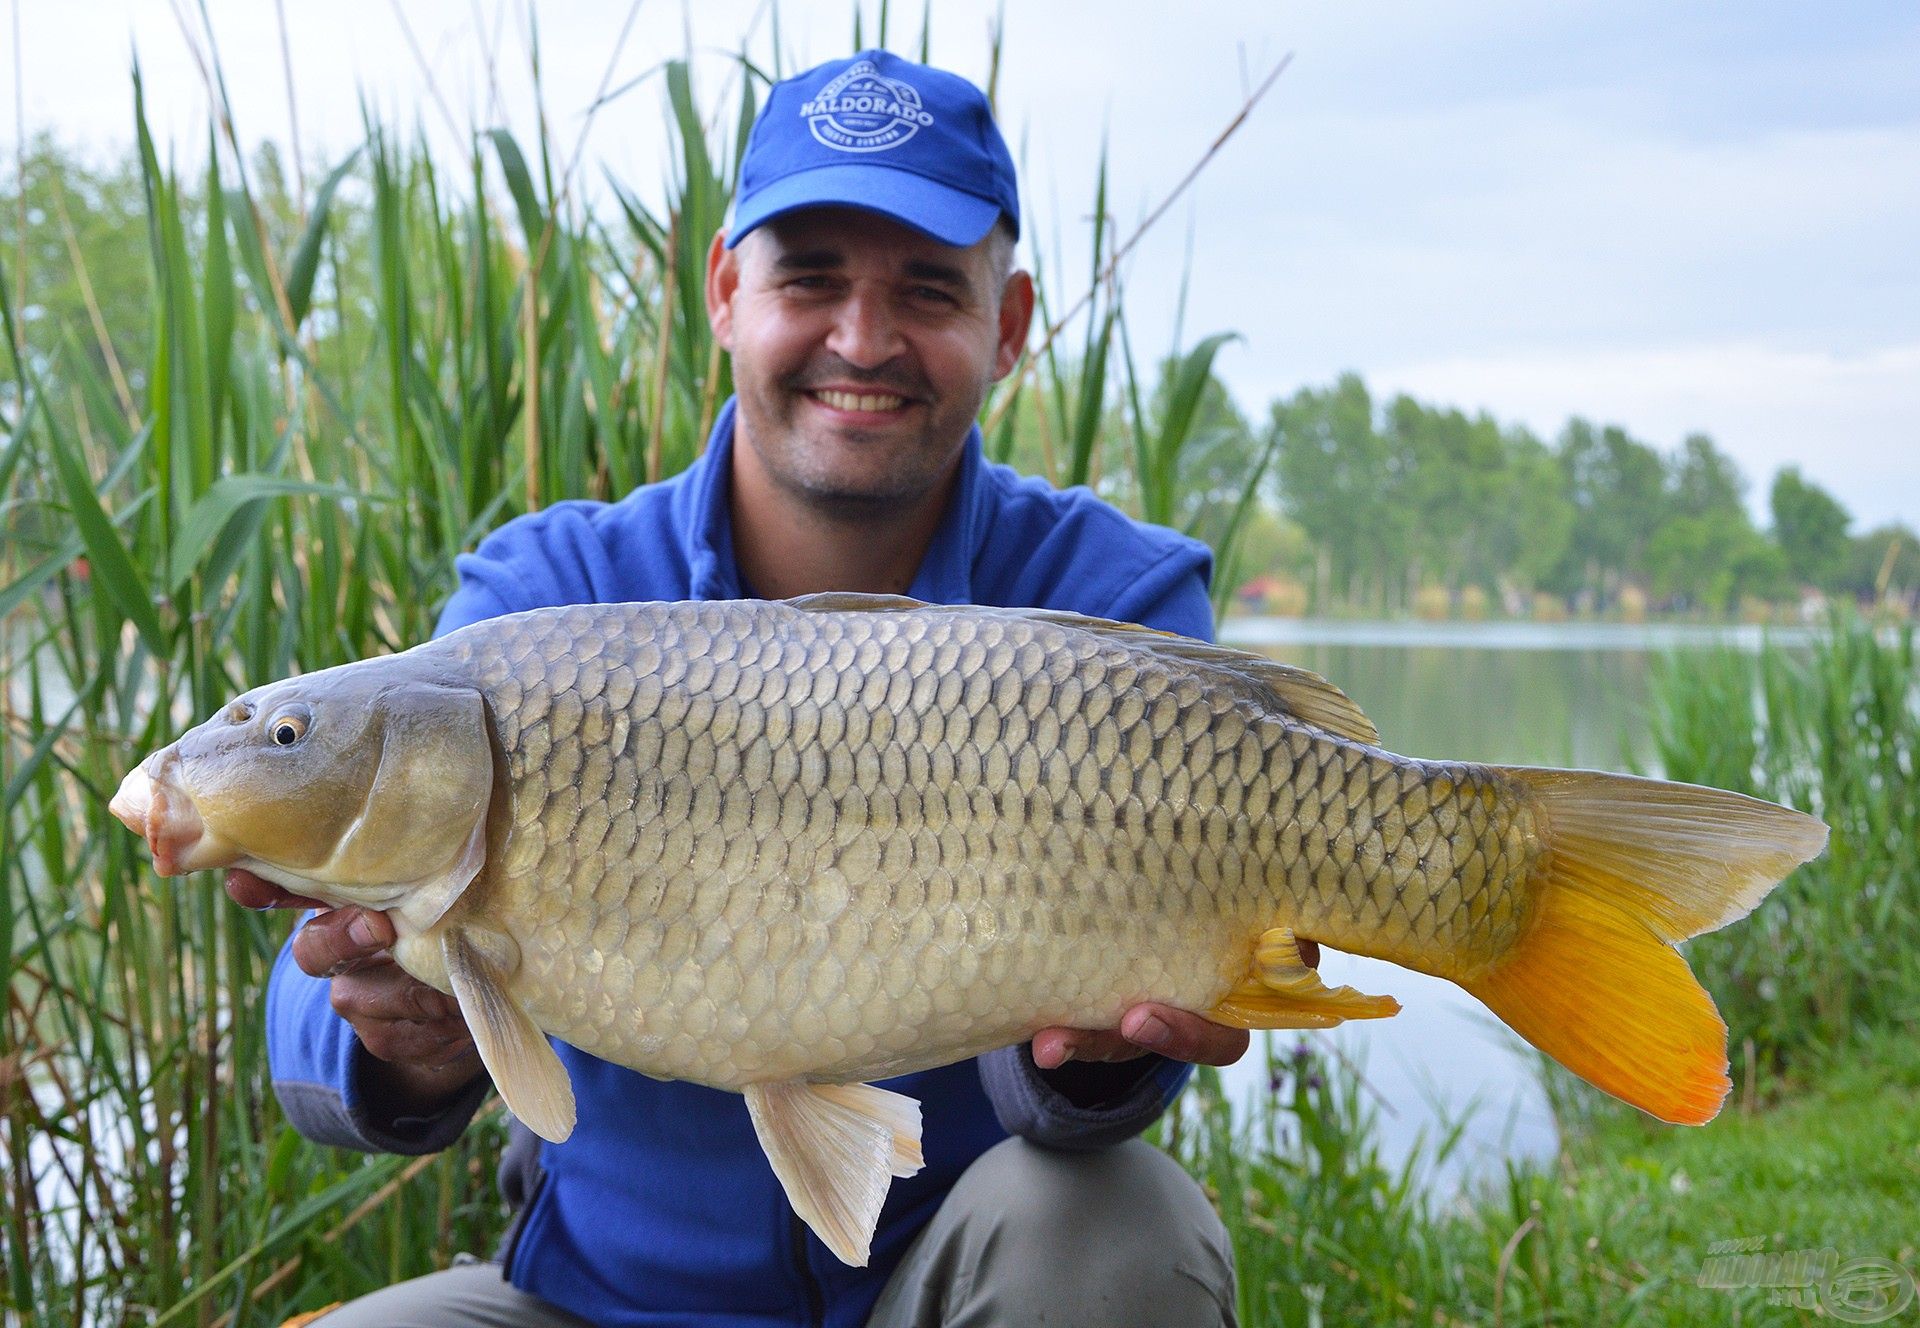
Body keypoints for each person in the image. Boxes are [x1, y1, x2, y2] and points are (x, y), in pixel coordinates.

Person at [234, 49, 1288, 1327]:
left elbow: (1105, 1077)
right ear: (728, 292)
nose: (863, 337)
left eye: (926, 290)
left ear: (1005, 327)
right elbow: (315, 987)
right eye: (811, 280)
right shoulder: (545, 598)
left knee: (1120, 1223)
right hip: (591, 1304)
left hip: (937, 1291)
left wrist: (1101, 1057)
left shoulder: (1101, 599)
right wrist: (399, 1036)